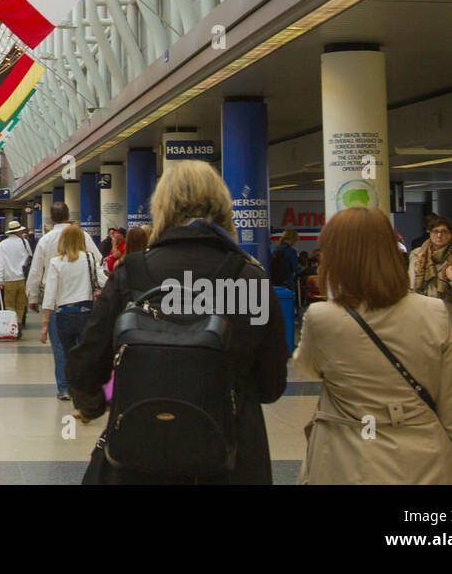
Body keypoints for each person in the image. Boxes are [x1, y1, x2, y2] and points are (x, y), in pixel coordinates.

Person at [66, 161, 288, 484]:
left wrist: (97, 405)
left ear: (162, 208)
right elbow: (271, 386)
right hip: (231, 461)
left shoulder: (132, 273)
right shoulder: (249, 278)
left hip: (139, 459)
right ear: (224, 208)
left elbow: (83, 368)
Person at [295, 207, 452, 484]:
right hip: (424, 461)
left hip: (346, 460)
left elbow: (308, 367)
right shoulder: (433, 311)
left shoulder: (322, 318)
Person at [27, 203, 101, 399]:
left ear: (51, 219)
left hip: (57, 302)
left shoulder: (45, 240)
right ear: (69, 215)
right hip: (84, 300)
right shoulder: (82, 236)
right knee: (83, 347)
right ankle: (83, 385)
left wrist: (33, 297)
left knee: (60, 347)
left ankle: (64, 387)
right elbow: (98, 260)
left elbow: (36, 270)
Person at [40, 225, 107, 379]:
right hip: (86, 312)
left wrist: (45, 323)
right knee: (85, 354)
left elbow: (50, 293)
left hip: (64, 314)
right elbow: (103, 281)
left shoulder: (56, 262)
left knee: (66, 354)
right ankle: (84, 387)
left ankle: (66, 387)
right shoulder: (89, 258)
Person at [407, 215, 452, 351]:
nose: (439, 235)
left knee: (450, 369)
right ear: (429, 233)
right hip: (423, 322)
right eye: (435, 231)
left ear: (450, 234)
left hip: (449, 323)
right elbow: (410, 290)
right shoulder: (417, 257)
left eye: (444, 231)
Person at [0, 220, 31, 338]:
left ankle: (13, 325)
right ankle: (18, 323)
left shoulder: (3, 244)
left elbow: (0, 262)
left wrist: (0, 279)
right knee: (21, 304)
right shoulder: (24, 242)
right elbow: (29, 257)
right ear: (19, 231)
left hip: (9, 279)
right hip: (22, 278)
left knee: (9, 304)